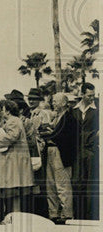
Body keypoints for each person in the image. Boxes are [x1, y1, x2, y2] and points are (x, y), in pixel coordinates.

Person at [40, 92, 77, 221]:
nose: (53, 103)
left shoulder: (69, 118)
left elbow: (66, 138)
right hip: (51, 150)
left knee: (62, 184)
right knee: (50, 184)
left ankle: (66, 214)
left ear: (63, 103)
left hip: (61, 153)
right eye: (53, 101)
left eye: (56, 101)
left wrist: (51, 133)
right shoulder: (56, 117)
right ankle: (53, 213)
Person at [0, 98, 34, 214]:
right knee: (15, 188)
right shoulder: (14, 121)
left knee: (14, 188)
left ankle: (14, 215)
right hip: (14, 159)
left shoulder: (13, 121)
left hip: (14, 160)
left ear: (7, 110)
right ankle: (14, 214)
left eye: (1, 109)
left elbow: (12, 137)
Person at [72, 82, 99, 219]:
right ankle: (78, 215)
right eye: (89, 95)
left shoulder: (97, 110)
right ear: (82, 94)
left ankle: (90, 215)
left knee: (91, 183)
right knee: (77, 182)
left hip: (91, 151)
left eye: (93, 95)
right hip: (77, 151)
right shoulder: (74, 110)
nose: (92, 98)